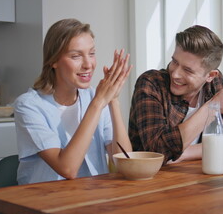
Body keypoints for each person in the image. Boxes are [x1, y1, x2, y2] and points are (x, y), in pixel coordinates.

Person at [14, 18, 133, 186]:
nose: (88, 64)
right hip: (45, 202)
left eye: (91, 53)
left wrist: (113, 100)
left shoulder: (94, 97)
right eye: (76, 56)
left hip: (93, 199)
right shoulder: (28, 106)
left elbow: (126, 162)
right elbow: (67, 169)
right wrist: (99, 103)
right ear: (53, 61)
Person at [128, 25, 223, 164]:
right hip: (149, 181)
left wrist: (181, 154)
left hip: (195, 177)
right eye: (174, 62)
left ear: (210, 75)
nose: (175, 74)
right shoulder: (151, 83)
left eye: (187, 70)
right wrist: (212, 107)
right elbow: (157, 152)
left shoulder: (214, 83)